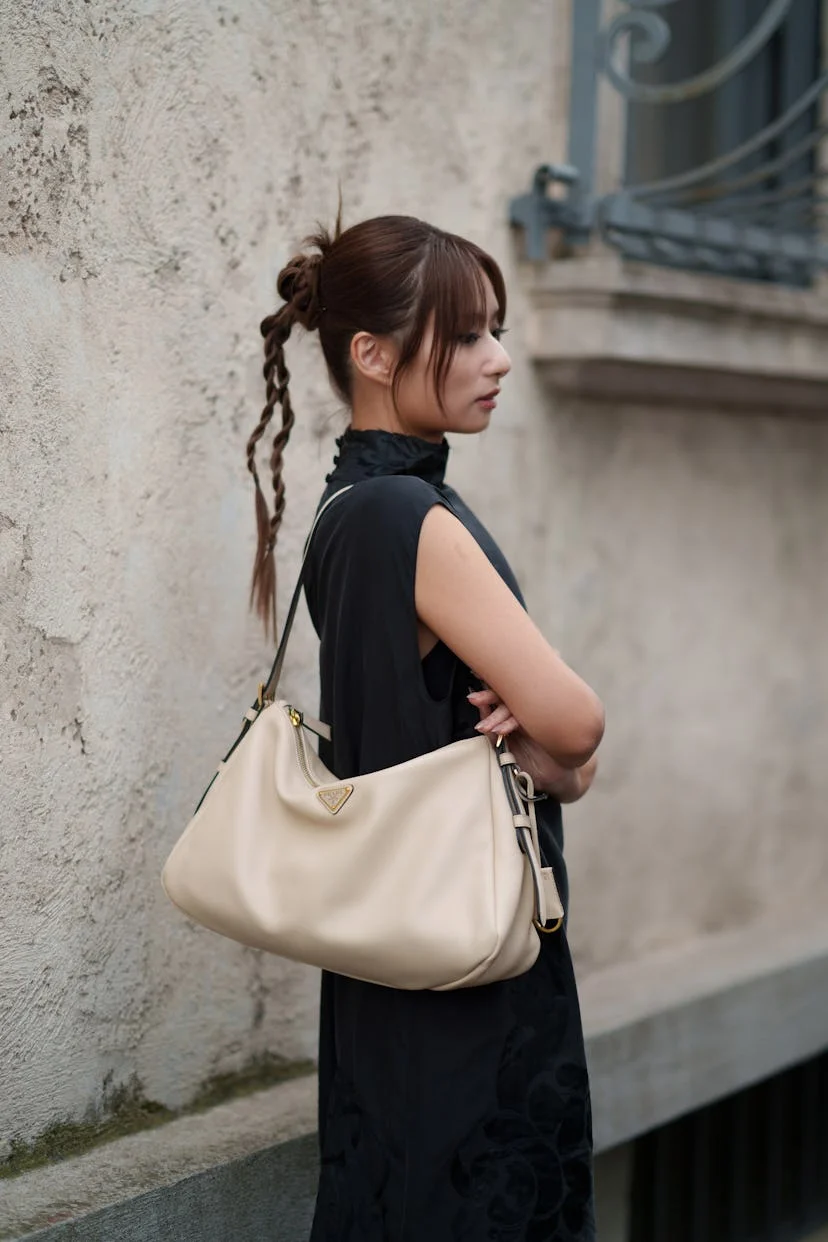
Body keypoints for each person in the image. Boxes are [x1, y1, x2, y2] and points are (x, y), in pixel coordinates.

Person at [245, 213, 604, 1241]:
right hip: (463, 967)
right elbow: (575, 720)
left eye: (497, 329)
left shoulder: (352, 507)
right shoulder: (405, 516)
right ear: (372, 353)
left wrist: (559, 759)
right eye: (471, 334)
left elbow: (550, 746)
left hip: (402, 953)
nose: (499, 360)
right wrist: (565, 754)